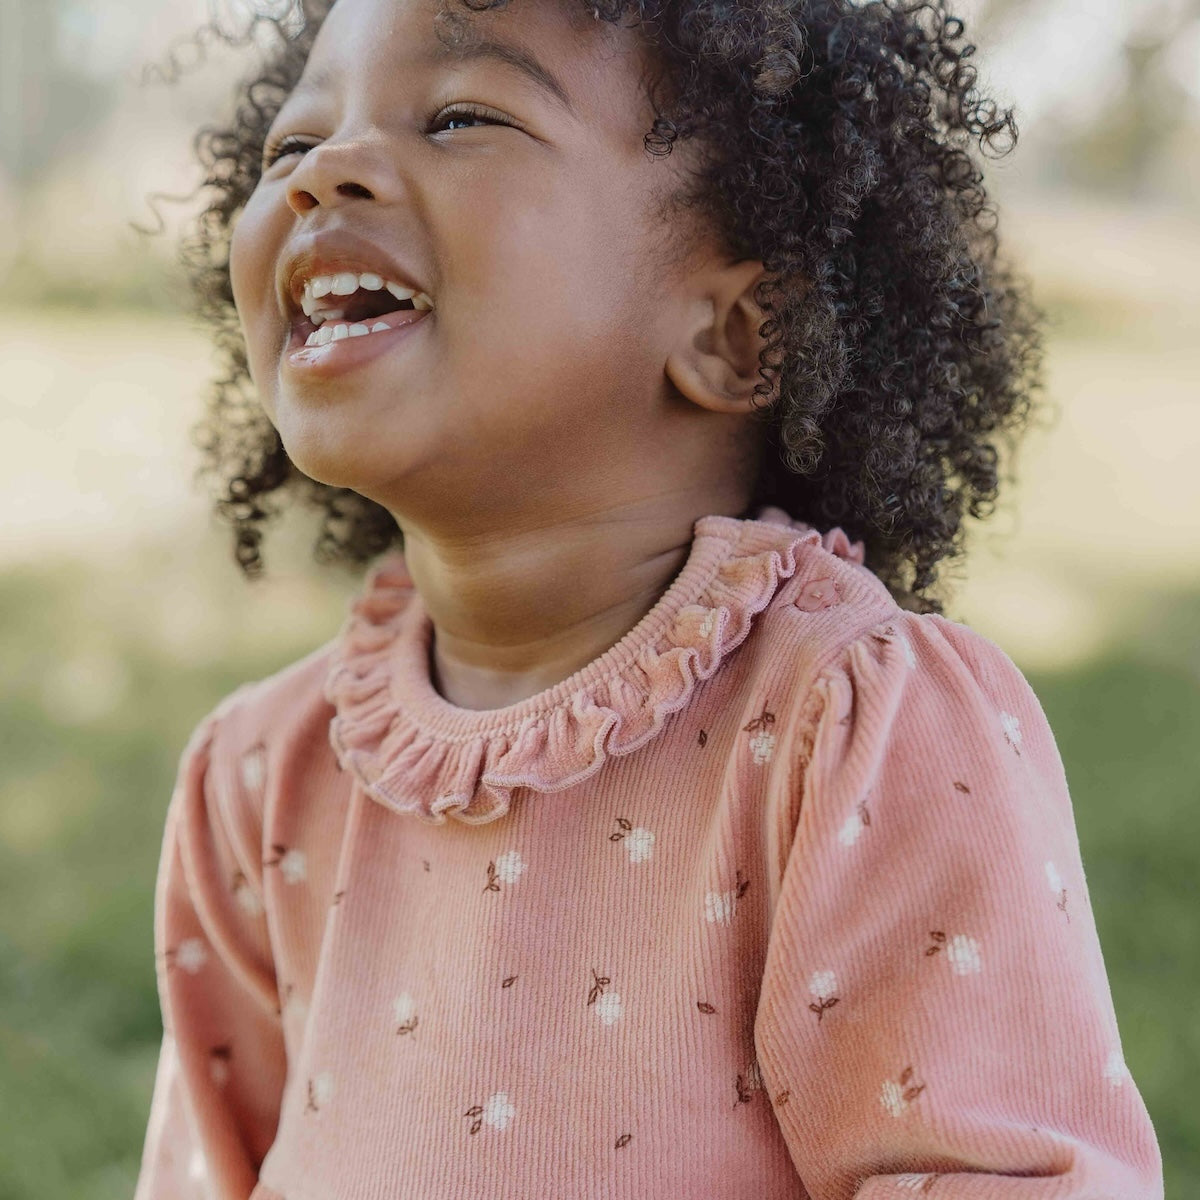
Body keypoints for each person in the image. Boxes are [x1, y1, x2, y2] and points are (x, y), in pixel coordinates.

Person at [133, 0, 1164, 1196]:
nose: (324, 176)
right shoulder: (263, 777)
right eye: (289, 149)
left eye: (462, 115)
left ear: (732, 333)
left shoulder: (850, 731)